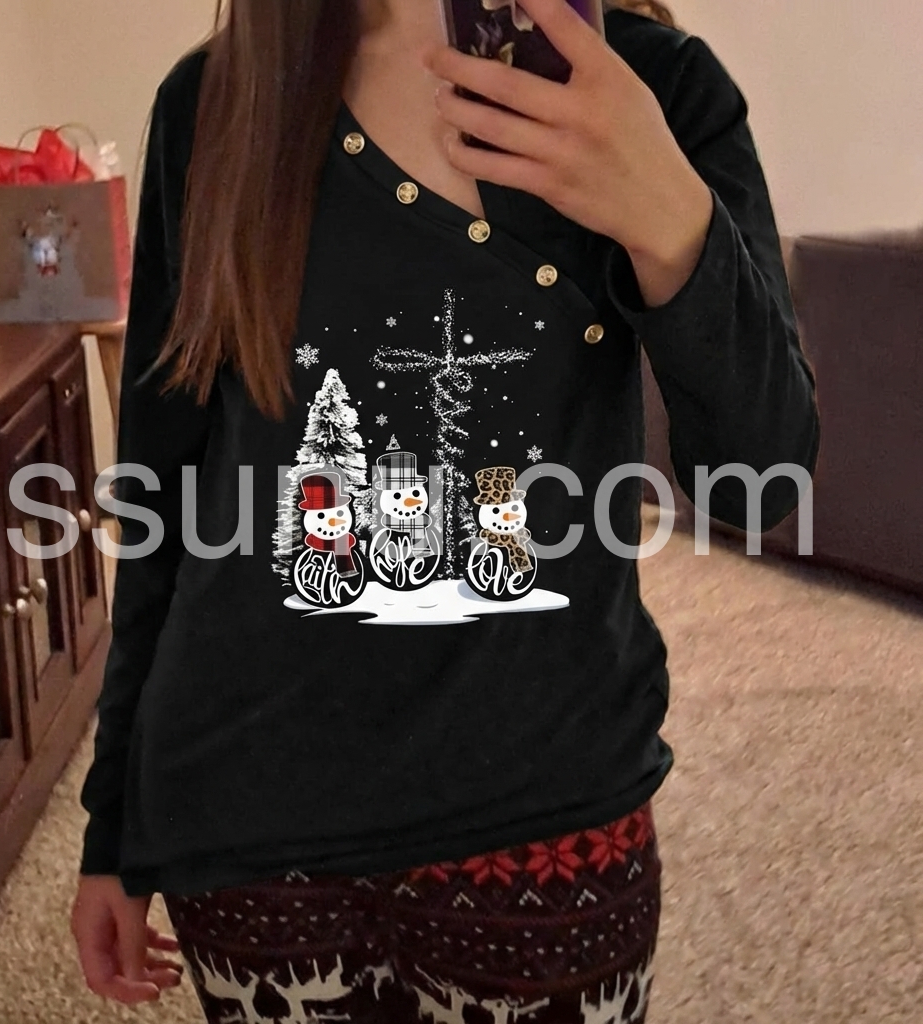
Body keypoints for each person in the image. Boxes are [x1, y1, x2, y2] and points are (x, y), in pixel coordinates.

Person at [70, 0, 819, 1020]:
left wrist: (669, 221)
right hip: (245, 820)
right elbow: (161, 497)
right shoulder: (213, 102)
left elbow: (758, 478)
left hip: (546, 808)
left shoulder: (651, 86)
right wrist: (112, 820)